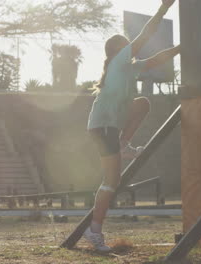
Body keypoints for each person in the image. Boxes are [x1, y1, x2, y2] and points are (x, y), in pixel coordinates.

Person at [83, 0, 181, 252]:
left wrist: (181, 48)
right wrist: (163, 9)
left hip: (110, 127)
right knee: (111, 181)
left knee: (142, 104)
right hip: (103, 126)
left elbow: (156, 59)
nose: (132, 47)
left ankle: (124, 144)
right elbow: (145, 35)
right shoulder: (119, 62)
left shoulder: (129, 67)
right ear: (119, 50)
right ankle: (94, 231)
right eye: (127, 45)